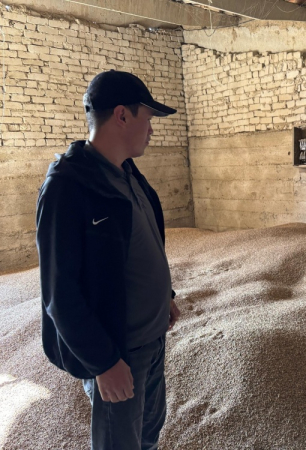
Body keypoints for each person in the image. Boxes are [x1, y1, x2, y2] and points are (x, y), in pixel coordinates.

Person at [36, 70, 181, 450]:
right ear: (122, 115)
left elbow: (143, 242)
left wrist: (164, 296)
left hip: (151, 340)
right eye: (148, 118)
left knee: (147, 434)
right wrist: (103, 363)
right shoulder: (67, 188)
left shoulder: (128, 173)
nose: (152, 130)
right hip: (119, 350)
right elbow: (59, 293)